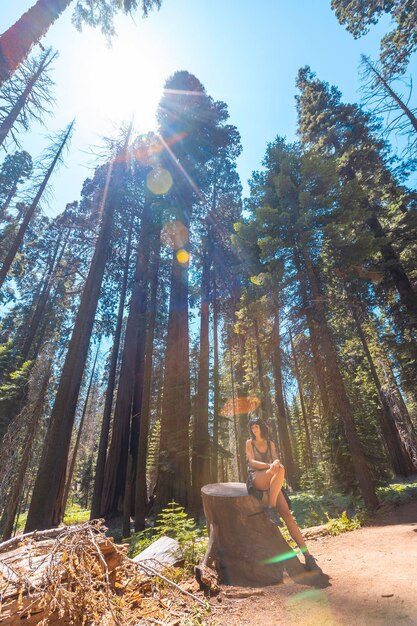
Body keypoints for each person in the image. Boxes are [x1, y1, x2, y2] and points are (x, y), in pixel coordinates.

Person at [246, 415, 319, 571]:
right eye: (252, 427)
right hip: (257, 478)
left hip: (272, 479)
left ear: (261, 427)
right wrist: (269, 465)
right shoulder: (249, 443)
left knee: (287, 514)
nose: (254, 429)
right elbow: (251, 462)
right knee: (278, 469)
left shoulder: (270, 444)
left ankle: (308, 557)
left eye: (256, 426)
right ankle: (271, 508)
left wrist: (275, 463)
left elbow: (276, 459)